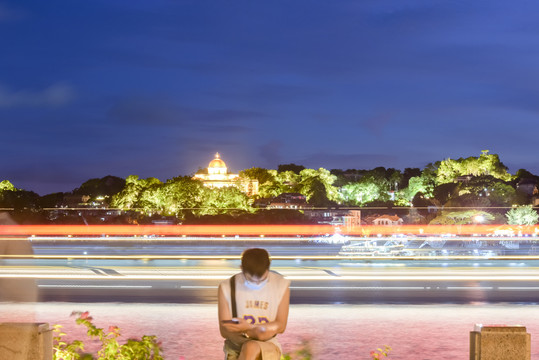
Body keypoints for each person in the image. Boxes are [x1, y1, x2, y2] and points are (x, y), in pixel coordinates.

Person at [218, 248, 290, 360]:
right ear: (241, 269)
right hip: (236, 347)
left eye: (262, 280)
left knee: (251, 346)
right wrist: (256, 331)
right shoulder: (227, 287)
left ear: (268, 268)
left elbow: (280, 326)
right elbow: (224, 331)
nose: (257, 283)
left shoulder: (280, 285)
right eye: (251, 279)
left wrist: (248, 328)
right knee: (249, 346)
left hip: (268, 345)